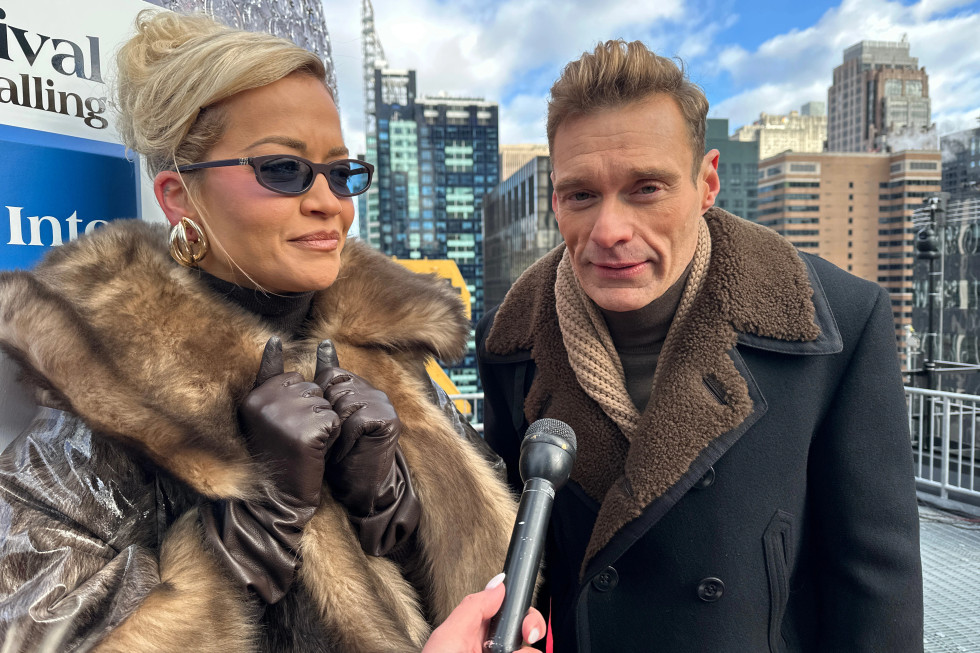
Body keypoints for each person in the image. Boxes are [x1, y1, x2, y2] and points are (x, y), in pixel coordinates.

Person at [0, 10, 528, 652]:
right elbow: (37, 630)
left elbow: (495, 586)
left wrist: (391, 504)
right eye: (282, 169)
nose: (329, 203)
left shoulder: (386, 353)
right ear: (178, 196)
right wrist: (248, 532)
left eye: (342, 172)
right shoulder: (97, 389)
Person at [477, 40, 923, 652]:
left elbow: (875, 582)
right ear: (556, 199)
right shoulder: (510, 344)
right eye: (581, 195)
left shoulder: (838, 324)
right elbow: (509, 555)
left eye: (646, 188)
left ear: (706, 183)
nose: (609, 230)